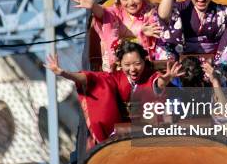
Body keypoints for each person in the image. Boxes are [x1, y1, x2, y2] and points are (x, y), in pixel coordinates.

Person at [45, 42, 183, 145]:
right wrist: (64, 73)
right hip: (120, 133)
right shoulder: (113, 79)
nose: (133, 69)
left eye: (137, 63)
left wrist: (166, 78)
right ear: (119, 64)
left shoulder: (150, 76)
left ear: (144, 62)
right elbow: (90, 79)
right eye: (127, 65)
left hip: (150, 128)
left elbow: (157, 84)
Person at [71, 0, 171, 72]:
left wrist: (144, 34)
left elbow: (158, 35)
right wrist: (93, 6)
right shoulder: (116, 12)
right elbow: (105, 13)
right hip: (119, 60)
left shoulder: (151, 11)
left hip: (141, 60)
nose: (131, 2)